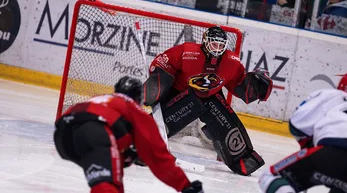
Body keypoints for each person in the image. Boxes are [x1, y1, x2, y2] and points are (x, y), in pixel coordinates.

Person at [144, 26, 273, 176]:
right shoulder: (188, 52)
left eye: (220, 45)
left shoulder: (232, 62)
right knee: (164, 121)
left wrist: (254, 87)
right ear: (205, 41)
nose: (217, 48)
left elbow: (238, 83)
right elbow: (163, 63)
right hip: (182, 93)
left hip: (210, 96)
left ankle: (242, 159)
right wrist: (158, 84)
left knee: (227, 123)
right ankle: (141, 139)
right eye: (214, 43)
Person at [54, 76, 204, 193]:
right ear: (138, 98)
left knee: (110, 177)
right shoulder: (134, 110)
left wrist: (128, 155)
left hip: (63, 135)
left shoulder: (103, 99)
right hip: (95, 131)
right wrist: (186, 186)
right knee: (106, 185)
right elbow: (157, 157)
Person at [259, 71, 347, 193]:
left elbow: (297, 121)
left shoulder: (331, 94)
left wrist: (309, 147)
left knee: (270, 176)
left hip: (331, 155)